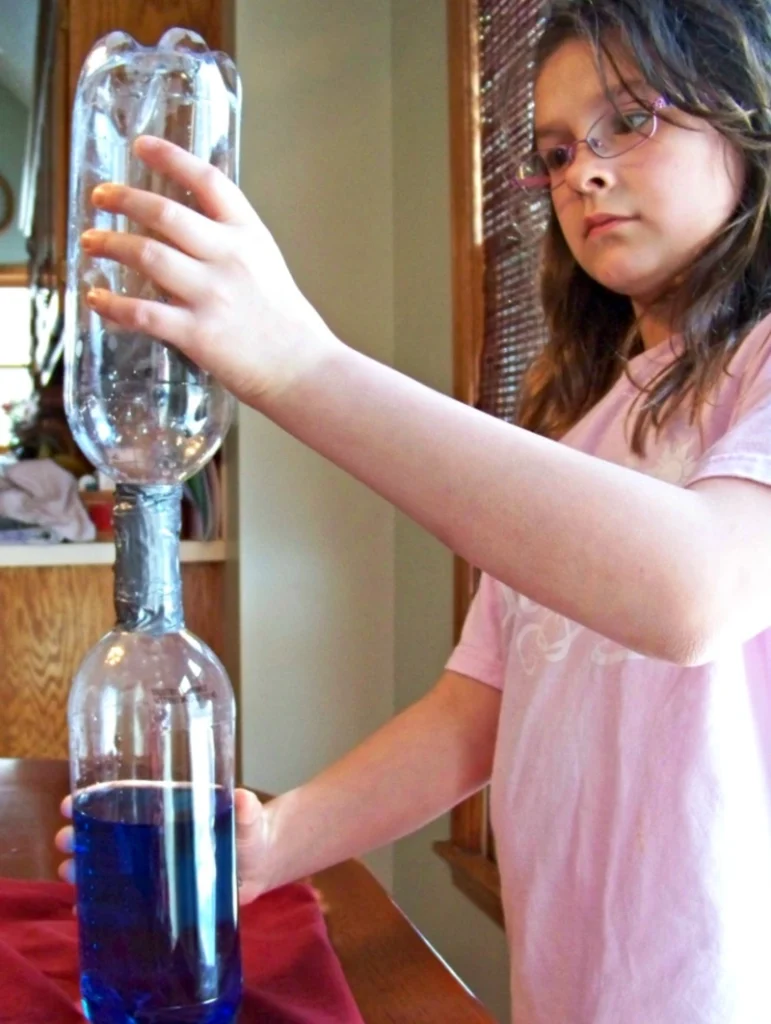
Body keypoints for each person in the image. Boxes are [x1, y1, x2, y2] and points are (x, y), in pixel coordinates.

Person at [57, 0, 771, 1020]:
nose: (584, 173)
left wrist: (302, 367)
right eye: (558, 150)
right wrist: (275, 838)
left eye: (632, 119)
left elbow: (697, 590)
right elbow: (474, 712)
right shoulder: (584, 428)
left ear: (746, 121)